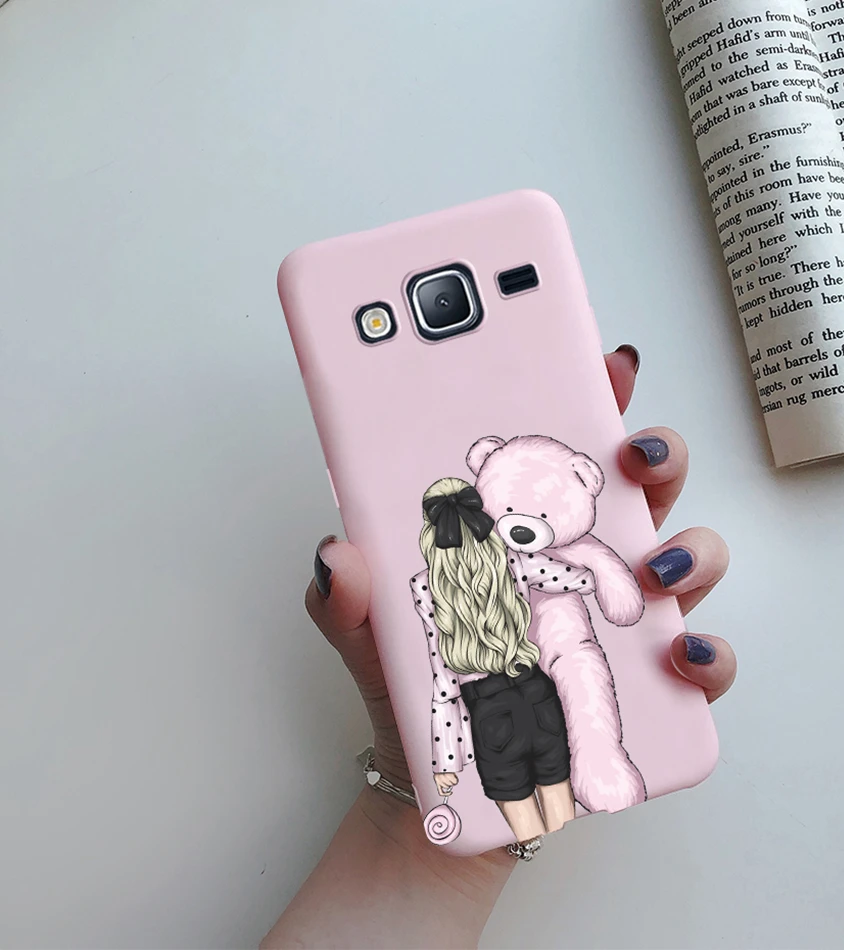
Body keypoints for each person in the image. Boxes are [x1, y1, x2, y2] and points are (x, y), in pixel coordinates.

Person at [261, 345, 736, 949]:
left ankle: (599, 761)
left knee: (580, 681)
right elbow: (537, 589)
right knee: (555, 720)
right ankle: (583, 768)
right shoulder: (474, 567)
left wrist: (615, 581)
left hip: (524, 678)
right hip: (503, 691)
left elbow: (600, 591)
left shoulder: (473, 572)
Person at [413, 477, 575, 843]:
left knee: (527, 832)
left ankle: (533, 858)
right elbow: (573, 578)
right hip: (538, 693)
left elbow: (444, 680)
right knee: (563, 816)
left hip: (489, 714)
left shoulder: (426, 586)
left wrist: (446, 759)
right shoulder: (512, 559)